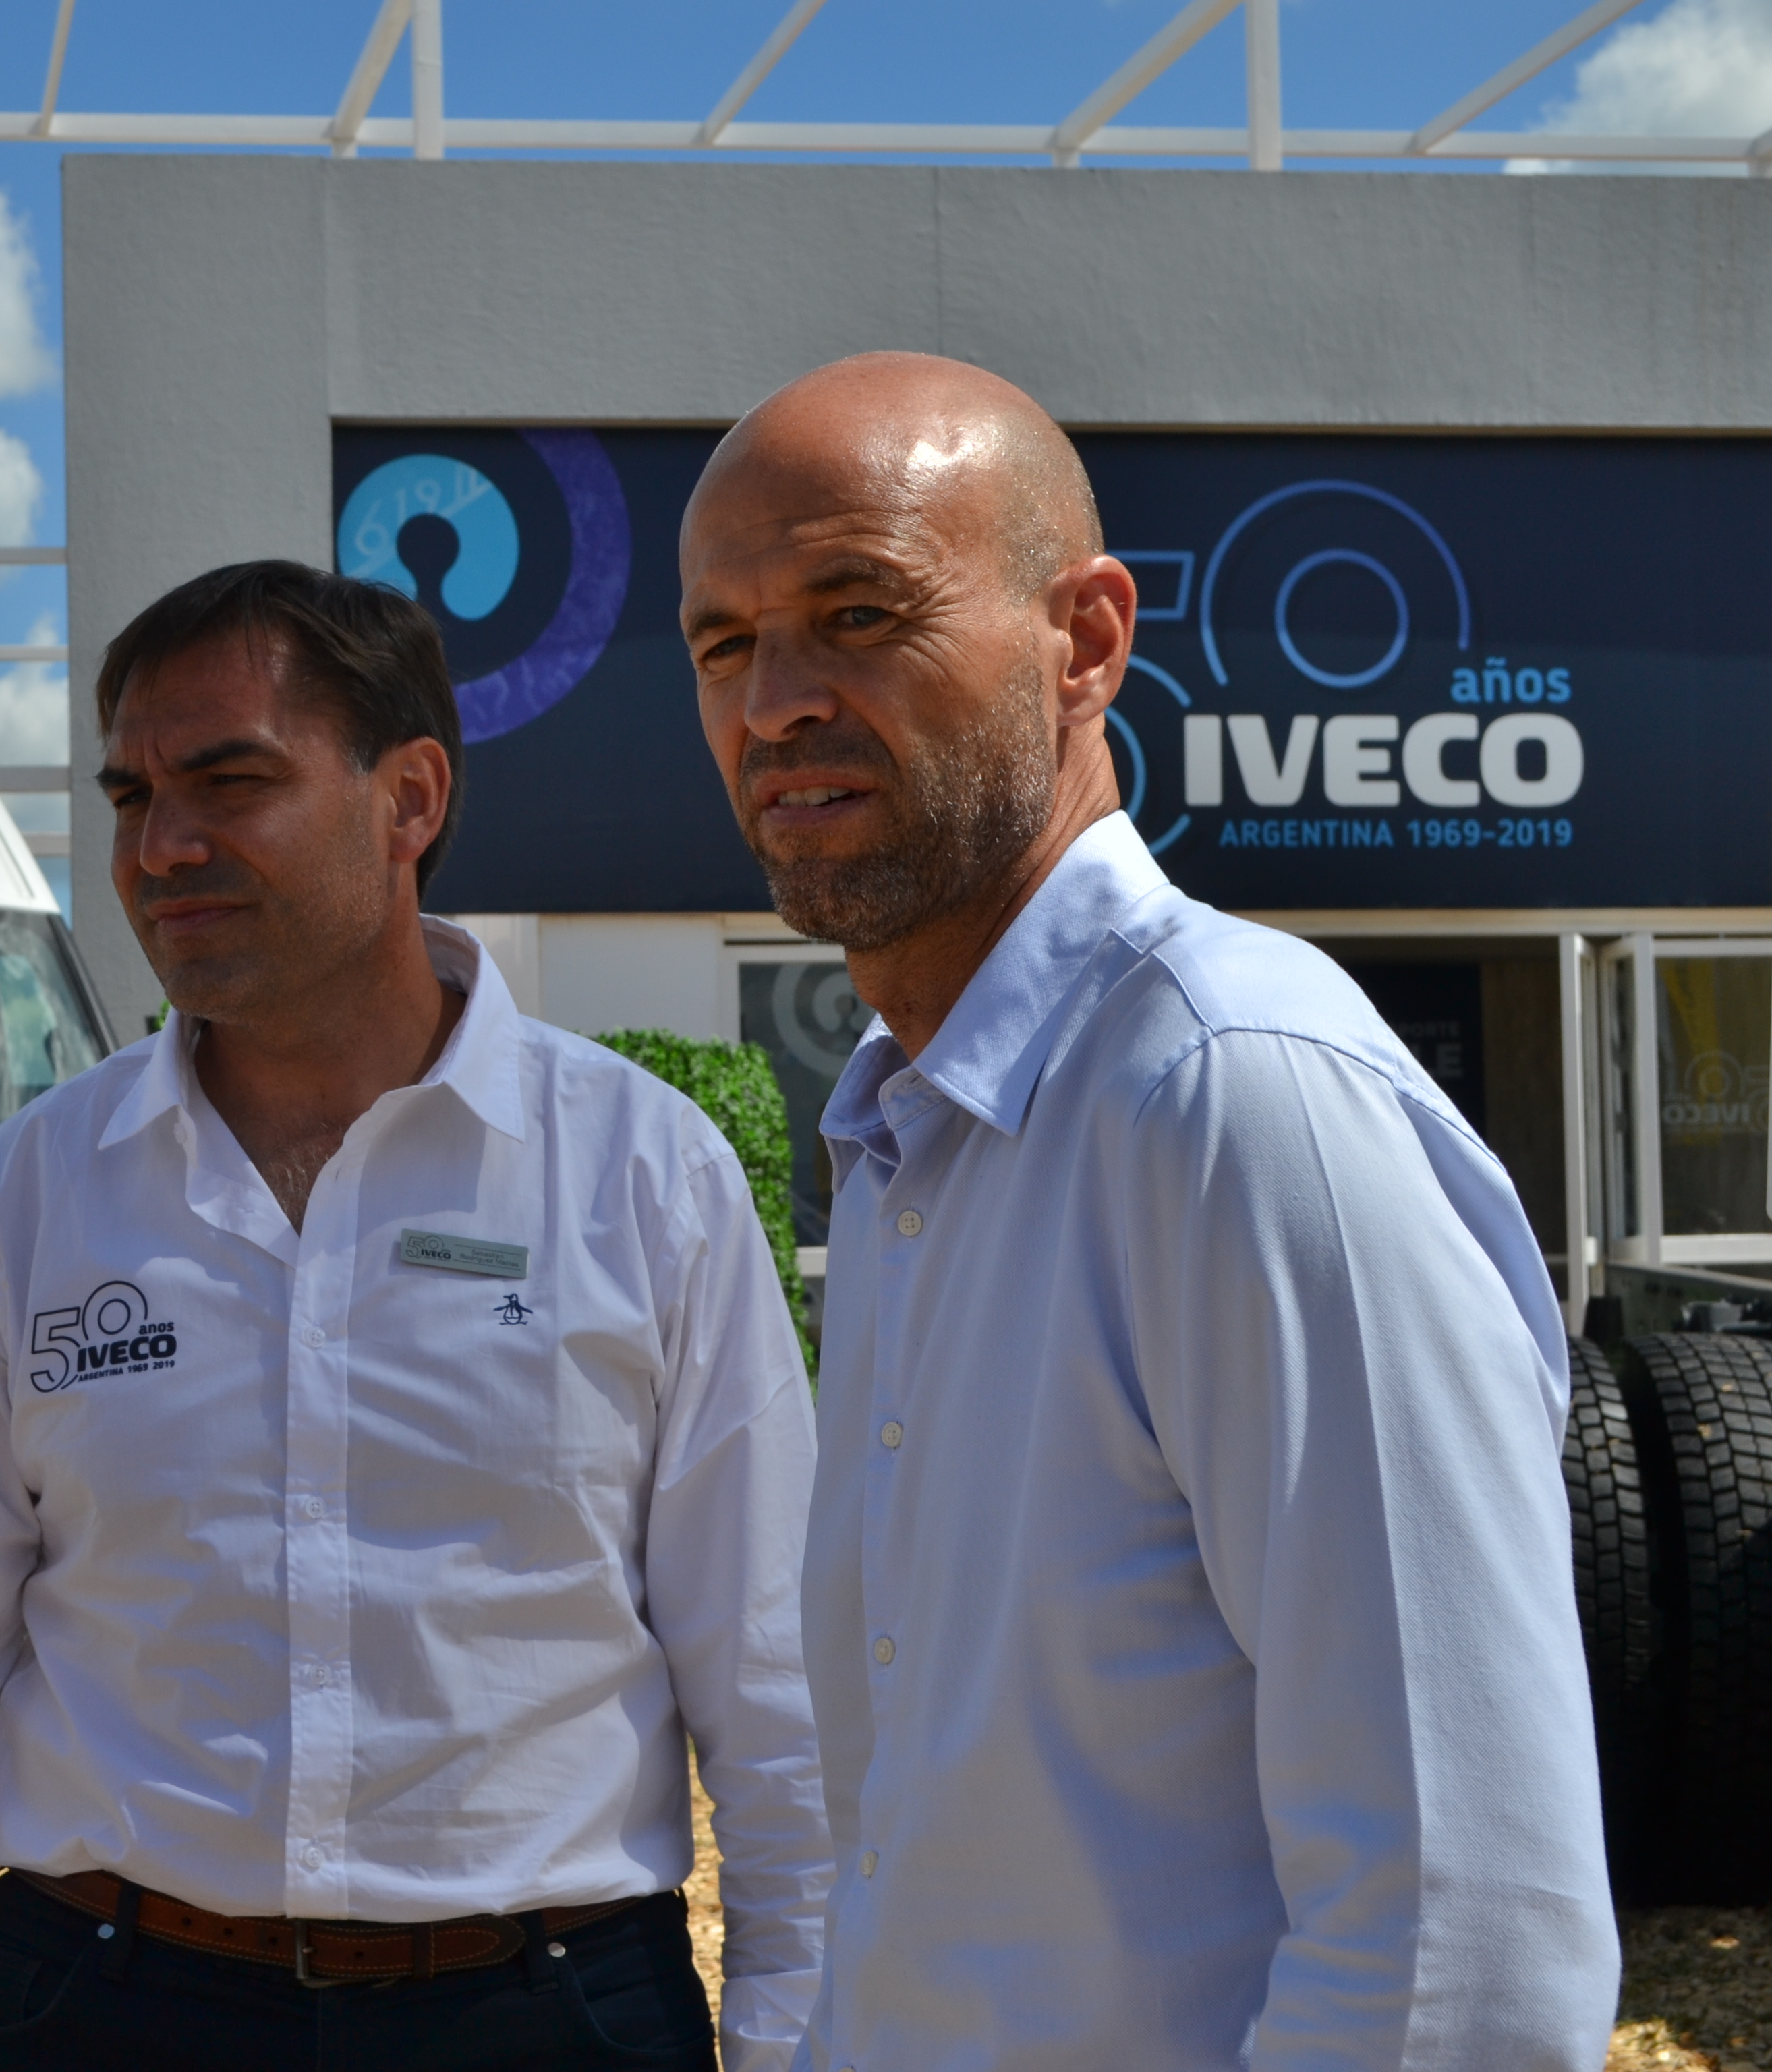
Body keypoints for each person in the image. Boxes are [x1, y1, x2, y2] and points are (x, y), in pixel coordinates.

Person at [675, 352, 1617, 2070]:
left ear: (1087, 641)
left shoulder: (1233, 1095)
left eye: (858, 613)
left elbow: (1462, 1949)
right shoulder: (906, 1141)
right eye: (725, 645)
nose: (776, 704)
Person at [0, 560, 830, 2072]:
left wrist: (801, 2036)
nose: (162, 846)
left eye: (231, 781)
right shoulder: (35, 1193)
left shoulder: (643, 1175)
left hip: (544, 2014)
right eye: (132, 796)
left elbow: (780, 1688)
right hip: (104, 2005)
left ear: (411, 799)